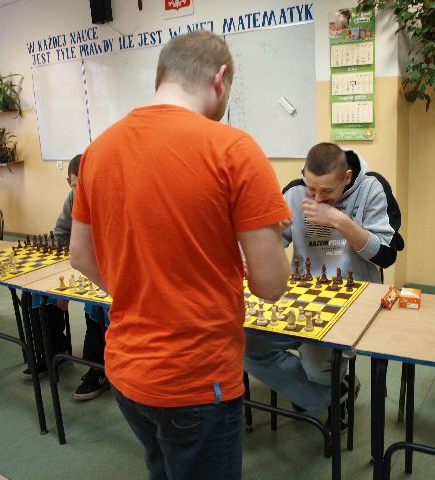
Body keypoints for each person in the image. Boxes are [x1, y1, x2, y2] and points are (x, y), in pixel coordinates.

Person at [69, 31, 291, 480]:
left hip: (126, 370)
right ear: (220, 79)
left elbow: (80, 255)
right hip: (197, 380)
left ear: (162, 77)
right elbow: (270, 286)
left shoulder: (98, 150)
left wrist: (142, 293)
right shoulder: (234, 149)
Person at [244, 142, 404, 429]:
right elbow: (276, 241)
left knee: (318, 368)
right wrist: (269, 236)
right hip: (301, 299)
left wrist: (341, 221)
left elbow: (386, 255)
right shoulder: (294, 192)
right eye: (312, 189)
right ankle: (329, 395)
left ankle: (320, 392)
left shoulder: (373, 188)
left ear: (347, 177)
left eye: (327, 191)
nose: (317, 199)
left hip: (352, 302)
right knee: (248, 346)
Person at [23, 155, 108, 401]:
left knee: (96, 303)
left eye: (85, 186)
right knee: (36, 292)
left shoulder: (109, 196)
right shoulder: (73, 198)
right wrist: (61, 280)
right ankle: (52, 351)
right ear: (68, 183)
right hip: (80, 263)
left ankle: (98, 367)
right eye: (75, 187)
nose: (81, 193)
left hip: (107, 267)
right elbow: (61, 235)